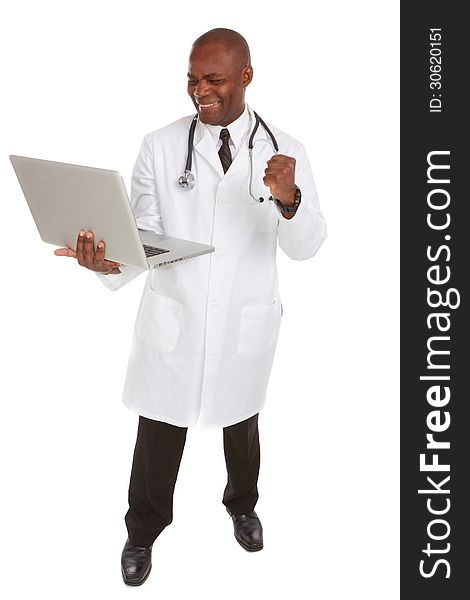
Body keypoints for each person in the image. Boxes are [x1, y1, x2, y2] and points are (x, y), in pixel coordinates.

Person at [55, 28, 327, 586]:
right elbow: (141, 237)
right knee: (158, 432)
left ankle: (242, 505)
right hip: (174, 317)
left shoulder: (287, 151)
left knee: (242, 425)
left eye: (214, 79)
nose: (199, 90)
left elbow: (309, 246)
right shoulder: (159, 146)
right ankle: (142, 530)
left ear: (246, 78)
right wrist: (108, 264)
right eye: (192, 80)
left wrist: (290, 201)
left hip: (244, 319)